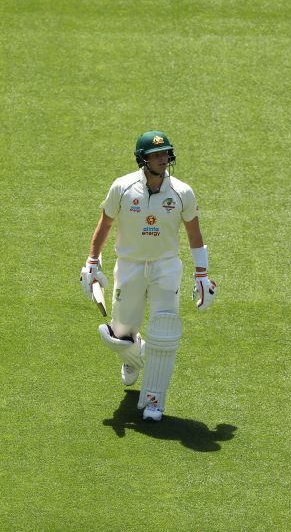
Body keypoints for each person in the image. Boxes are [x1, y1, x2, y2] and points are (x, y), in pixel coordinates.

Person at [80, 130, 217, 422]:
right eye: (156, 154)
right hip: (129, 265)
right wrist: (92, 261)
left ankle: (154, 400)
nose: (163, 159)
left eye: (166, 153)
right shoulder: (123, 187)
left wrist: (202, 274)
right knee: (118, 334)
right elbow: (104, 224)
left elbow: (194, 233)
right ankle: (133, 356)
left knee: (164, 331)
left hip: (165, 266)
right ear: (143, 159)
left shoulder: (182, 192)